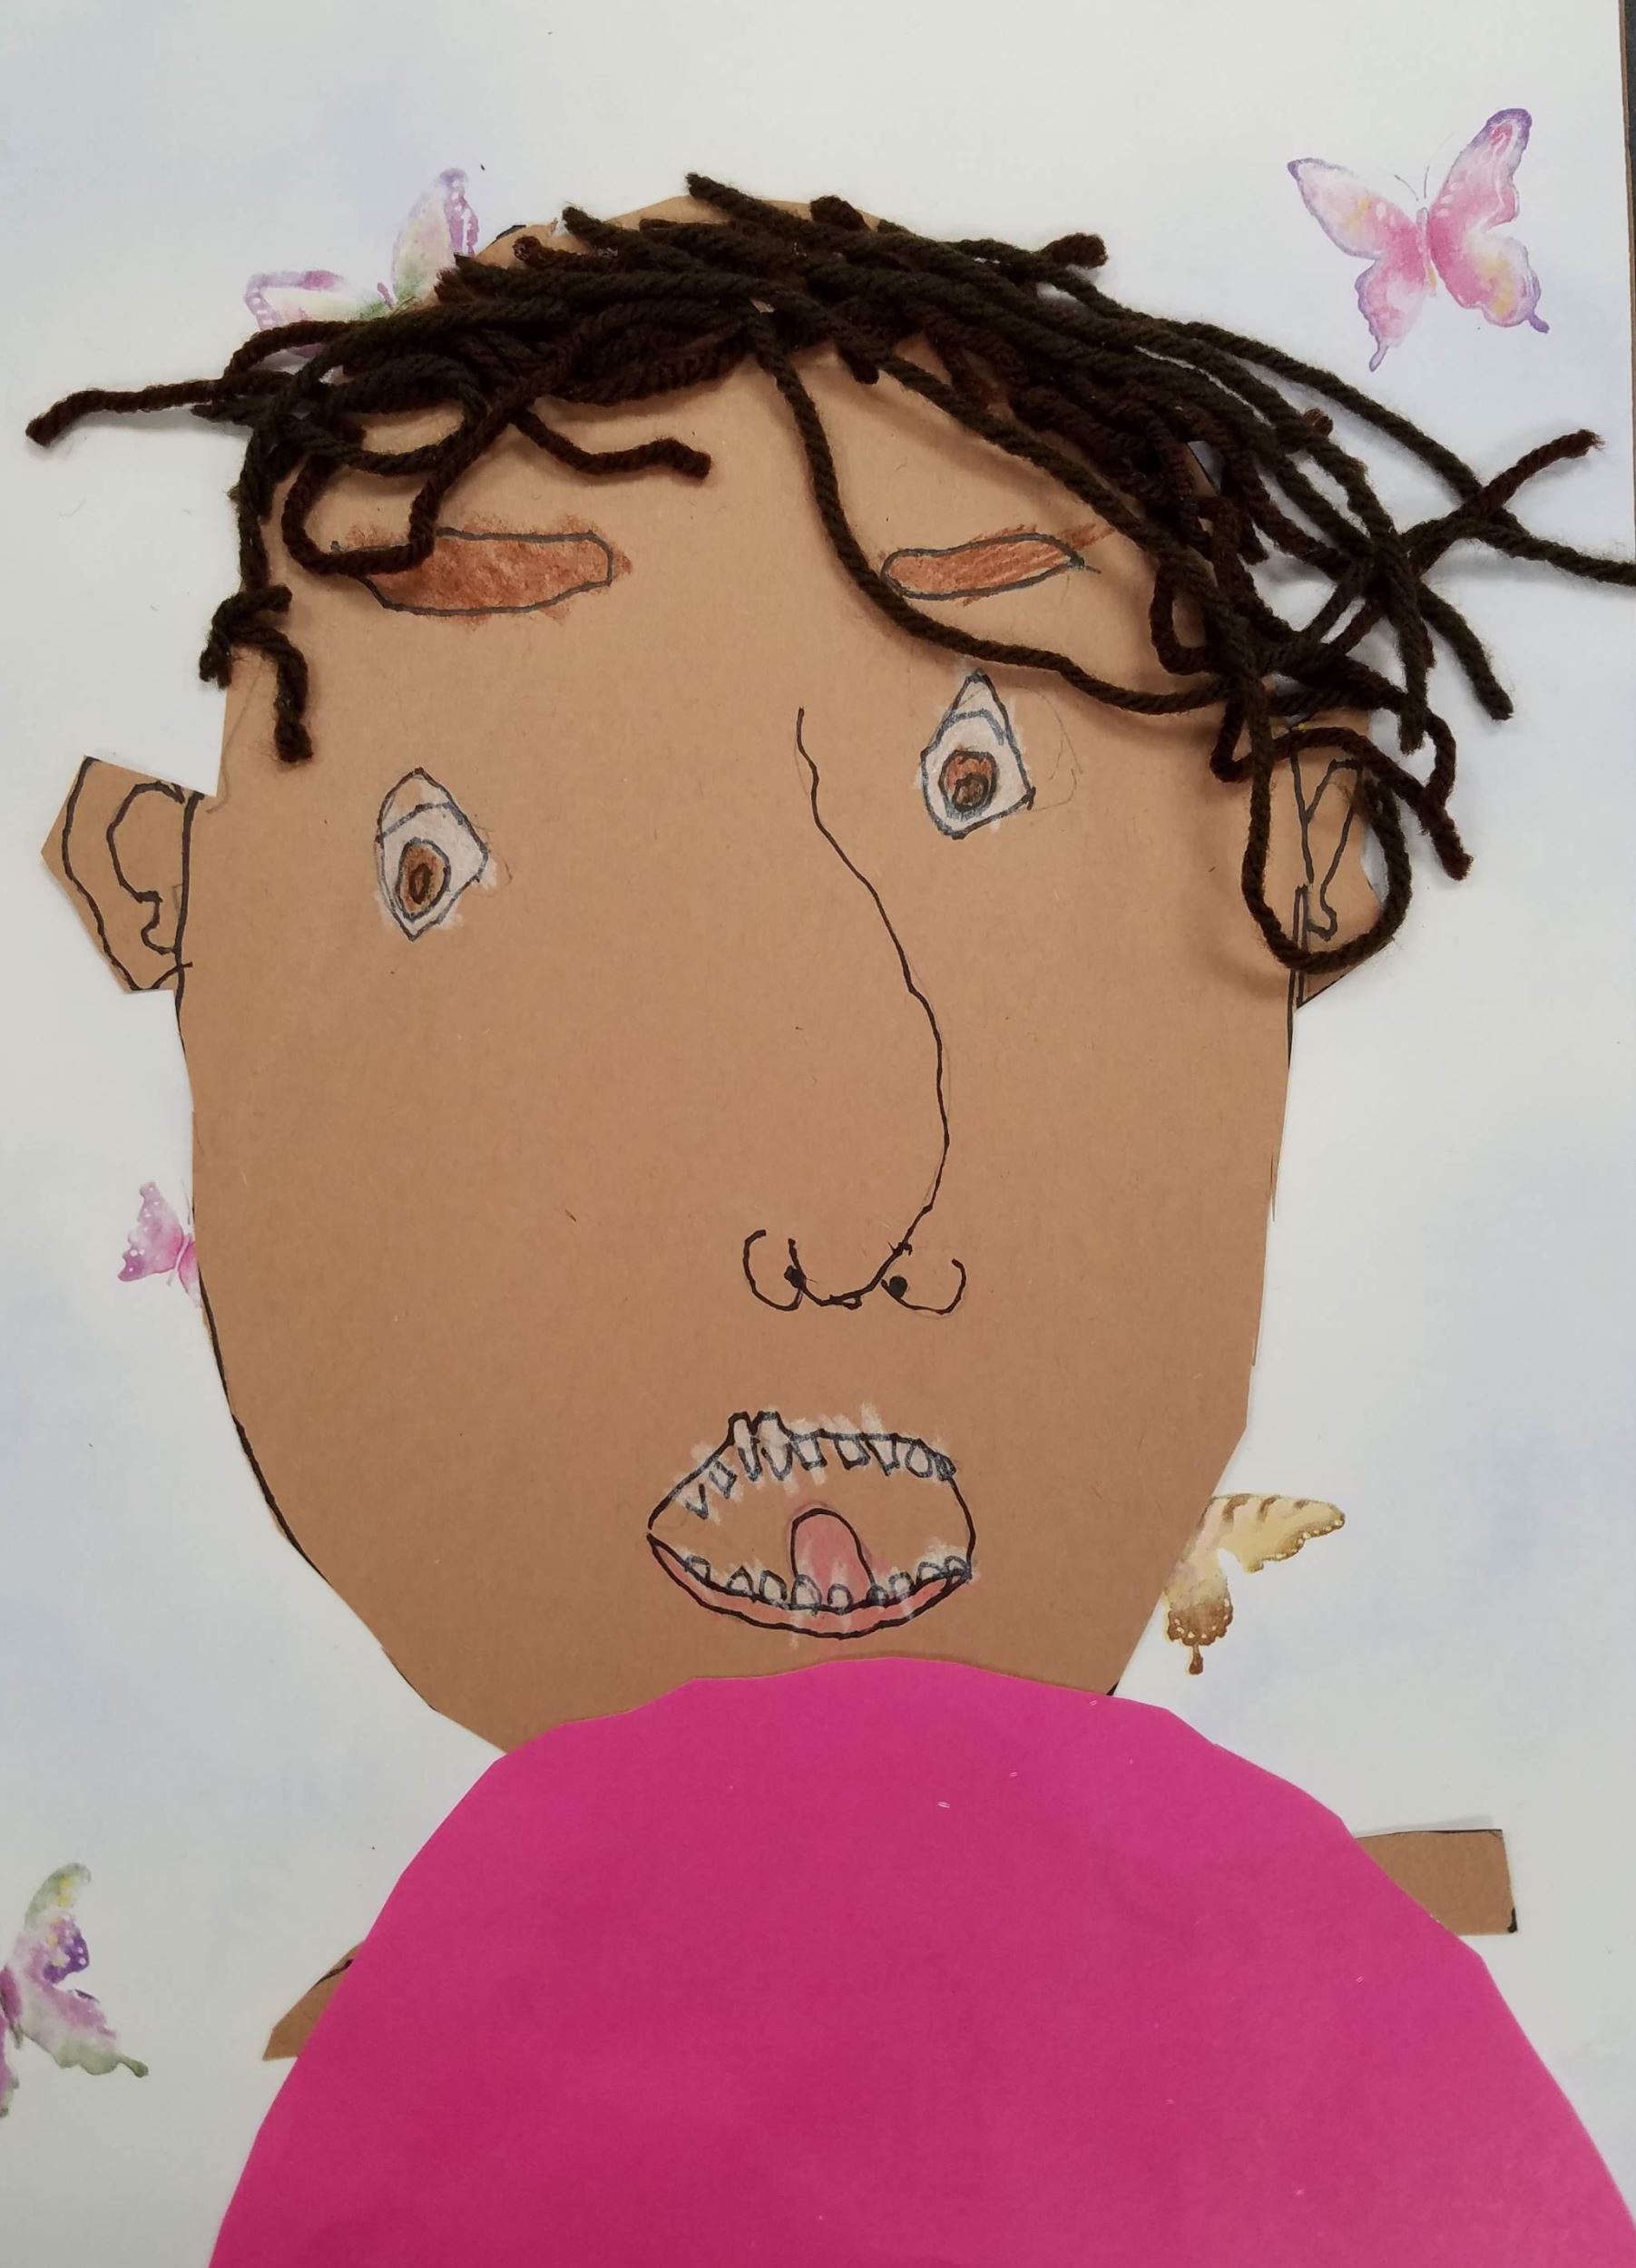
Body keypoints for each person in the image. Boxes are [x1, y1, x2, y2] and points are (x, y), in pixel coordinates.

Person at [31, 182, 1636, 2261]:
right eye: (432, 866)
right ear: (158, 901)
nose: (842, 1201)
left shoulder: (1374, 2104)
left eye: (978, 780)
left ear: (1309, 860)